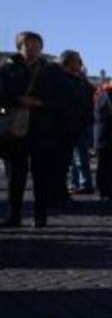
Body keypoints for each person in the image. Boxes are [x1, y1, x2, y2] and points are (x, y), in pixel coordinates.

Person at [1, 32, 62, 227]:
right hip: (14, 129)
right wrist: (17, 99)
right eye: (28, 45)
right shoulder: (7, 68)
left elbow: (60, 98)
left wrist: (40, 103)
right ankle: (14, 215)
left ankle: (40, 215)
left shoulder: (51, 70)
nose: (33, 49)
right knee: (15, 176)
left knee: (42, 175)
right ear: (19, 47)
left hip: (41, 127)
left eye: (37, 45)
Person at [59, 50, 96, 196]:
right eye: (78, 61)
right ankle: (77, 183)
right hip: (75, 121)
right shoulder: (68, 79)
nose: (80, 64)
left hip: (80, 122)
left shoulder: (80, 80)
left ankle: (84, 183)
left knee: (79, 155)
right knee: (76, 156)